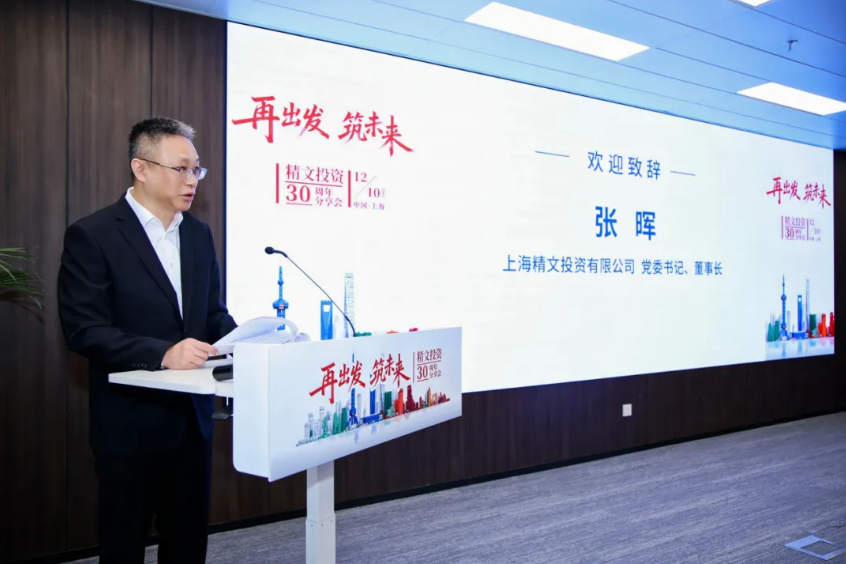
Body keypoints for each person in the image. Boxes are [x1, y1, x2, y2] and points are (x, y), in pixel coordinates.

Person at [57, 116, 237, 563]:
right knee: (123, 544)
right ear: (141, 168)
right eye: (181, 169)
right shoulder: (93, 235)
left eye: (196, 169)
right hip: (130, 423)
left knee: (188, 541)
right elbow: (85, 330)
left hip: (192, 421)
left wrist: (247, 342)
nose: (192, 180)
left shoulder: (197, 234)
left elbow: (211, 315)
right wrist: (163, 353)